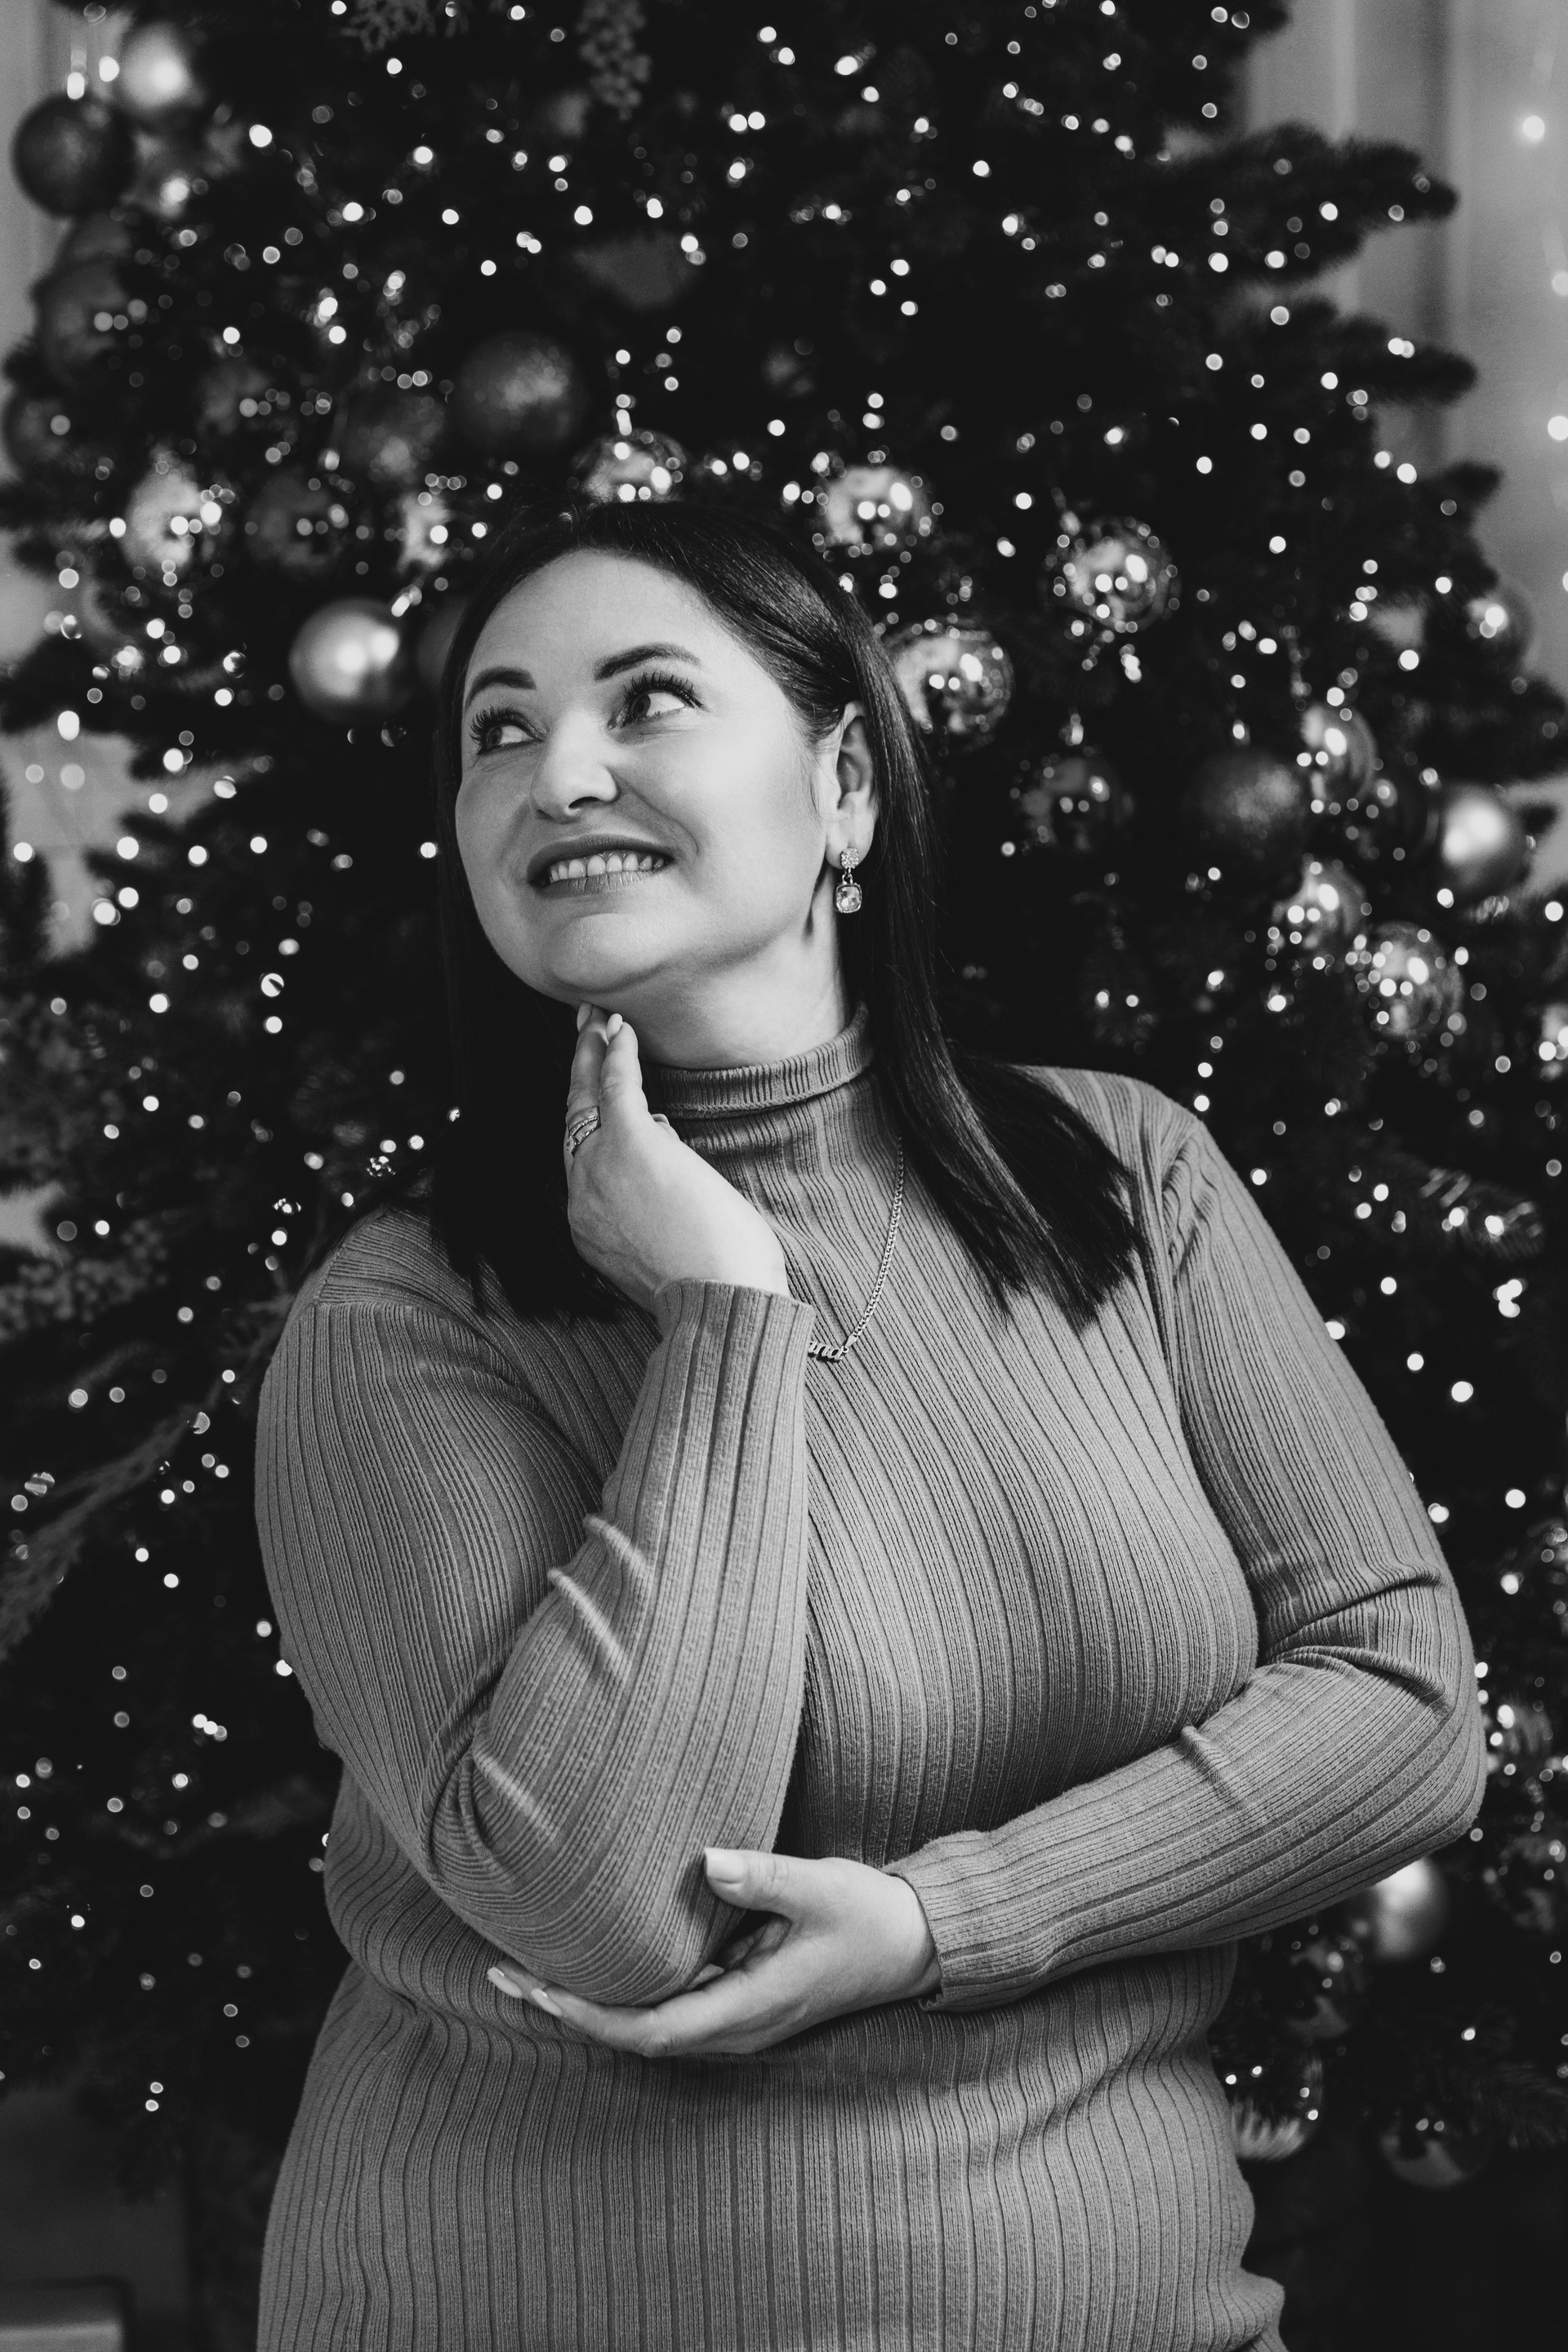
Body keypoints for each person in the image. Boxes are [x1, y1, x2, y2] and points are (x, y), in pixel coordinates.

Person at [254, 499, 1486, 2352]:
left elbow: (1403, 1701)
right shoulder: (401, 1317)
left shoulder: (1123, 1174)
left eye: (645, 698)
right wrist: (726, 1320)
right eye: (498, 729)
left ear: (843, 788)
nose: (557, 771)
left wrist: (942, 1923)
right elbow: (606, 1910)